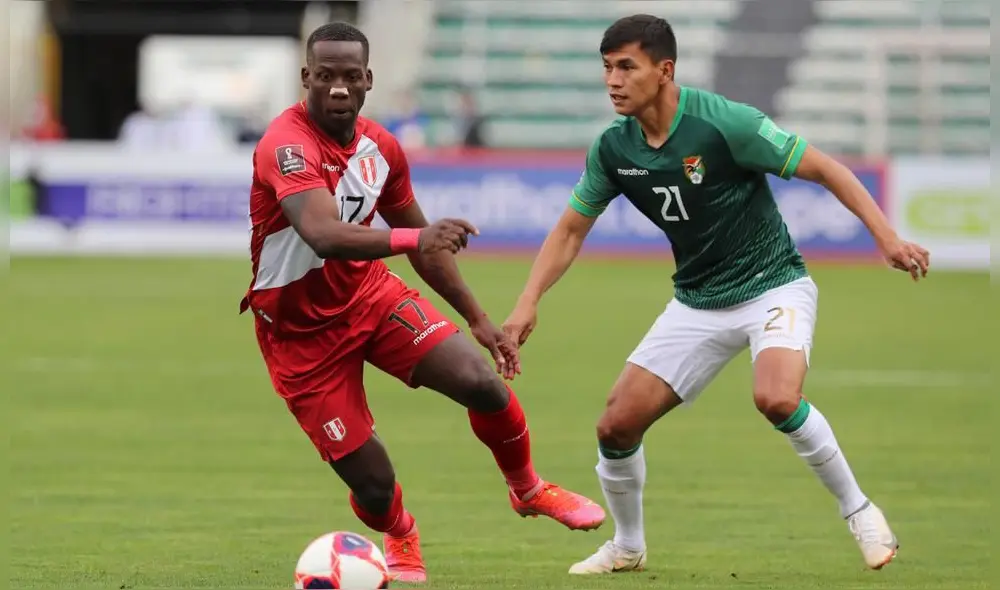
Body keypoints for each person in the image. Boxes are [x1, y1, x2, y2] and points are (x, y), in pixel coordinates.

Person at [502, 14, 930, 576]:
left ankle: (860, 511)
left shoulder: (725, 124)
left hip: (773, 285)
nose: (613, 80)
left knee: (776, 398)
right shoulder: (613, 148)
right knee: (615, 425)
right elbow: (570, 229)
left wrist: (886, 237)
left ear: (664, 70)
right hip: (697, 302)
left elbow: (826, 168)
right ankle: (628, 547)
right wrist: (527, 301)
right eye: (606, 68)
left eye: (626, 67)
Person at [242, 22, 606, 584]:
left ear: (367, 81)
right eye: (325, 76)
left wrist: (480, 318)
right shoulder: (285, 146)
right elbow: (322, 232)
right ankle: (401, 532)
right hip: (299, 337)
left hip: (368, 296)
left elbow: (424, 243)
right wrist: (417, 238)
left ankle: (528, 488)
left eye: (349, 77)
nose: (337, 88)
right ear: (305, 78)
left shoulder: (380, 148)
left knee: (482, 383)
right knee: (374, 485)